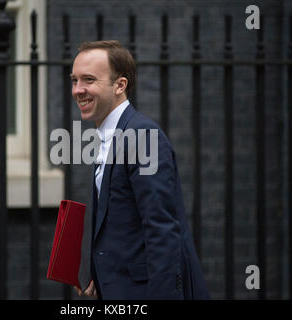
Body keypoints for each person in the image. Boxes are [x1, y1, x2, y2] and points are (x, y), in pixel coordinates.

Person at [70, 40, 210, 299]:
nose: (78, 89)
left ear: (120, 85)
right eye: (74, 80)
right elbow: (117, 220)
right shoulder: (108, 135)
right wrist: (98, 272)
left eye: (88, 80)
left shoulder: (141, 136)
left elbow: (161, 230)